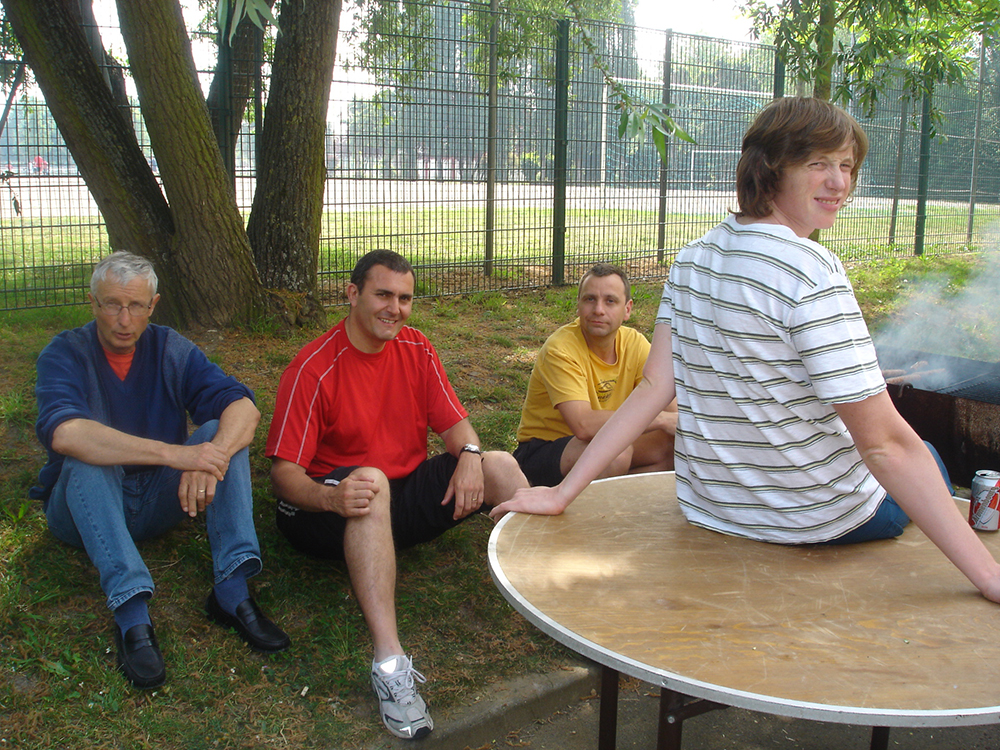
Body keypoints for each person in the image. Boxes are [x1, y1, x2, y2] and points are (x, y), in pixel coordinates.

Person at [492, 97, 1000, 604]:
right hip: (816, 522)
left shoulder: (691, 260)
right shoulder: (812, 271)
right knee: (927, 455)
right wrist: (990, 577)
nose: (838, 183)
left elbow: (653, 387)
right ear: (771, 168)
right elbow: (885, 446)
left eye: (847, 166)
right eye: (818, 163)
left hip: (713, 510)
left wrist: (564, 492)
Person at [265, 249, 528, 740]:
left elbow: (457, 426)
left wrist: (471, 455)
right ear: (352, 294)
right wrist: (331, 499)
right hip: (321, 508)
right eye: (383, 295)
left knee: (501, 464)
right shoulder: (313, 367)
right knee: (370, 482)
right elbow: (283, 477)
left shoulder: (417, 346)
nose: (395, 308)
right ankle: (390, 665)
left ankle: (552, 591)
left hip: (396, 496)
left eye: (405, 298)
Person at [32, 251, 290, 691]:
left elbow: (243, 407)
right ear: (92, 303)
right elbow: (66, 433)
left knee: (221, 433)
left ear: (153, 305)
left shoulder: (170, 348)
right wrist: (177, 456)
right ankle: (132, 614)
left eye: (136, 305)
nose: (124, 319)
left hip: (157, 501)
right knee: (87, 459)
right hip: (82, 509)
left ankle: (232, 591)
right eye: (112, 304)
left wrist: (212, 454)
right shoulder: (64, 352)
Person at [514, 263, 676, 486]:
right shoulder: (560, 349)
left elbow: (672, 409)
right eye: (590, 299)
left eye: (610, 301)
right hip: (544, 450)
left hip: (604, 440)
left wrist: (673, 422)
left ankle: (619, 499)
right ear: (578, 305)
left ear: (627, 309)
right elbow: (583, 425)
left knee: (676, 443)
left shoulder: (635, 343)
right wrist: (660, 420)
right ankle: (562, 497)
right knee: (613, 453)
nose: (598, 309)